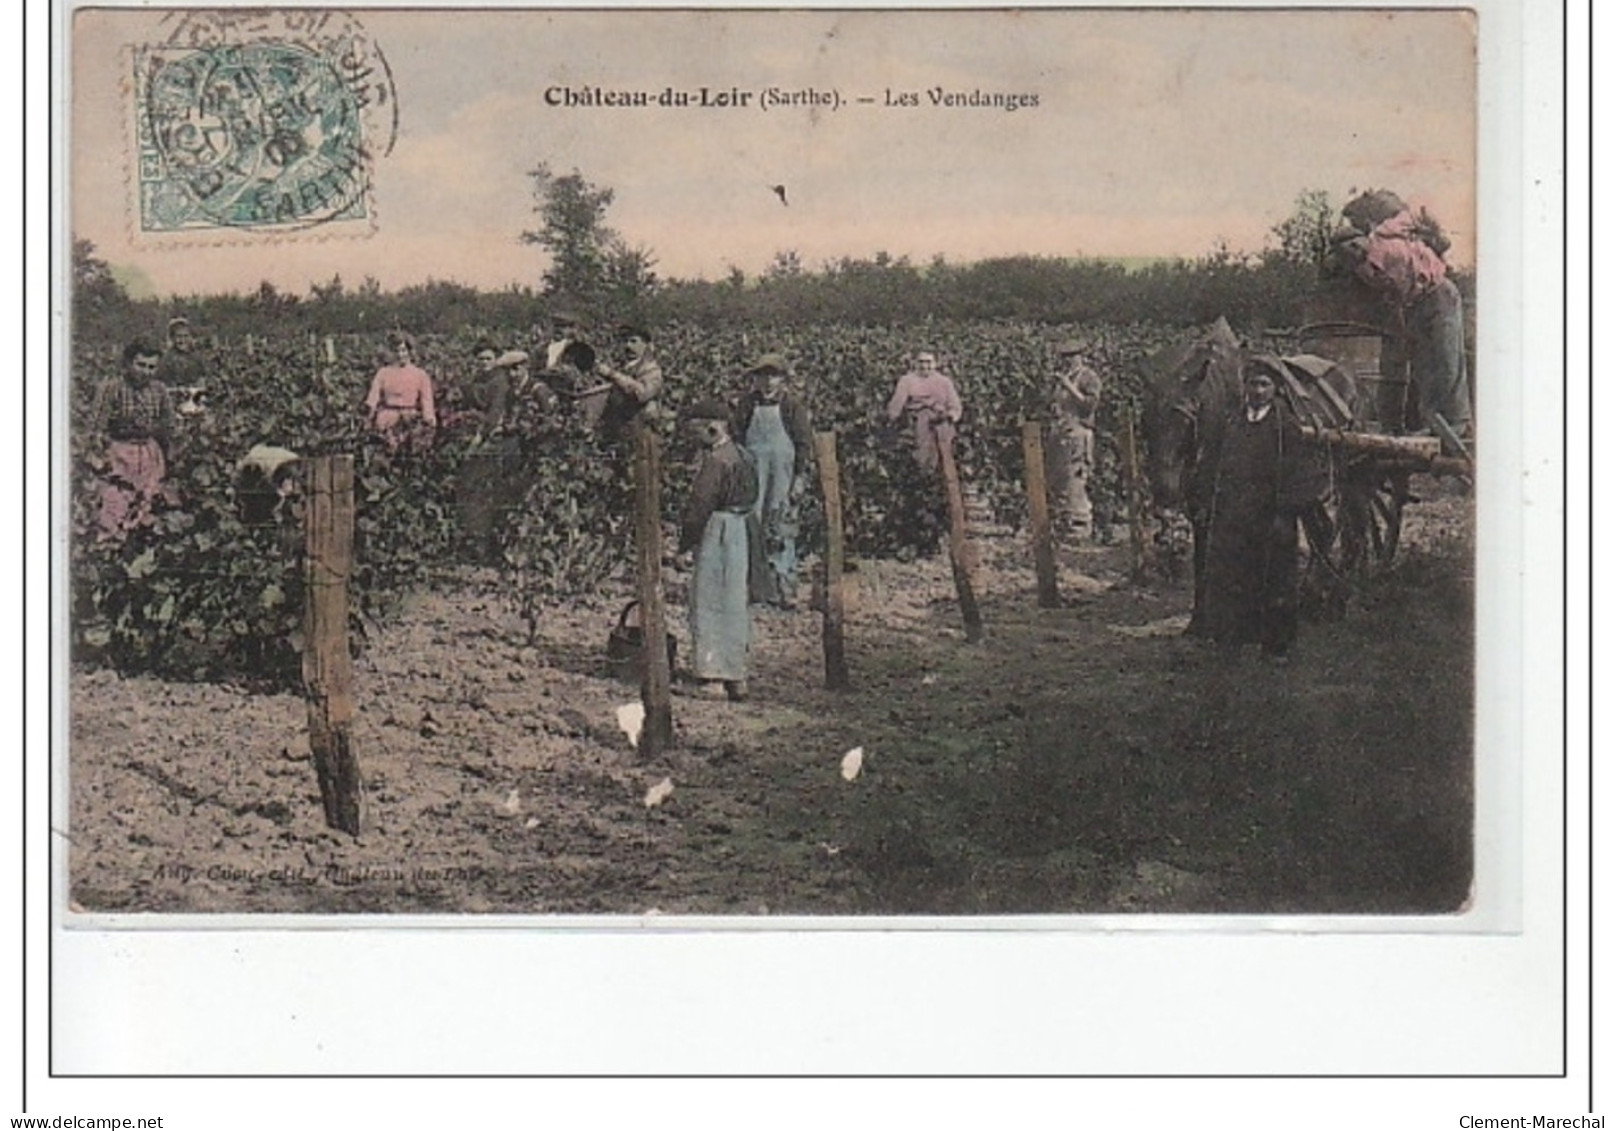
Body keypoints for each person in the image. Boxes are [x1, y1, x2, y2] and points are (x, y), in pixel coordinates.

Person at [1198, 358, 1330, 659]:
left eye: (1264, 385)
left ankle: (1276, 647)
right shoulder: (1233, 423)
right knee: (1233, 579)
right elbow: (1215, 465)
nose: (1257, 391)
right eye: (1252, 384)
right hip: (1235, 515)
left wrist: (1285, 513)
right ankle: (1231, 641)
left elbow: (1300, 475)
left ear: (1276, 389)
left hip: (1272, 517)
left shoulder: (1286, 428)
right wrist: (1213, 503)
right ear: (1244, 387)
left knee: (1276, 581)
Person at [1336, 206, 1472, 448]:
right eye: (1347, 252)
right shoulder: (1363, 270)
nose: (1354, 251)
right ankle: (1434, 424)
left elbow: (1410, 216)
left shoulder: (1385, 238)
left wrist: (1429, 231)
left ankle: (1458, 424)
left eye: (1355, 245)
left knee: (1447, 358)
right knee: (1423, 366)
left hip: (1439, 293)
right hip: (1413, 305)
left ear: (1362, 238)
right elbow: (1389, 294)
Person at [679, 399, 768, 701]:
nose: (694, 437)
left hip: (717, 528)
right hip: (742, 527)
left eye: (697, 430)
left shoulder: (716, 461)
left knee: (709, 599)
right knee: (734, 601)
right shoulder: (744, 455)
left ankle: (712, 676)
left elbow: (699, 505)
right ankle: (736, 676)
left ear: (714, 427)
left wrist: (685, 542)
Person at [734, 353, 813, 607]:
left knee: (782, 527)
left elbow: (803, 444)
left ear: (782, 380)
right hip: (753, 476)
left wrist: (799, 477)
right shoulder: (747, 405)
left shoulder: (791, 406)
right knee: (751, 527)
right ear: (755, 379)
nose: (768, 382)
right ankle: (755, 588)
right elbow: (736, 440)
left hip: (782, 477)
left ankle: (784, 588)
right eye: (762, 376)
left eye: (773, 376)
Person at [89, 337, 176, 542]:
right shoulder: (111, 388)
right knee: (116, 505)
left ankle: (139, 548)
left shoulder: (159, 390)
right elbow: (97, 428)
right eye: (141, 365)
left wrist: (166, 454)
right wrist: (101, 460)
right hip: (119, 452)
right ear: (128, 363)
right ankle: (110, 549)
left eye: (151, 367)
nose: (145, 371)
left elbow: (168, 424)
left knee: (147, 503)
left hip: (148, 452)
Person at [454, 344, 525, 562]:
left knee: (489, 491)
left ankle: (490, 546)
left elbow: (494, 415)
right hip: (474, 435)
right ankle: (476, 543)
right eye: (480, 359)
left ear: (495, 361)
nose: (484, 363)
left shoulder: (500, 383)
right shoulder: (476, 381)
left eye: (488, 359)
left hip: (492, 439)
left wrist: (478, 438)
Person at [1045, 339, 1103, 539]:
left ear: (1081, 356)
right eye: (1065, 357)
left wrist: (1070, 388)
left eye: (1072, 356)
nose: (1068, 361)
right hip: (1061, 432)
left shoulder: (1088, 377)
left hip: (1079, 433)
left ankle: (1080, 526)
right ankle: (1064, 522)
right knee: (1059, 478)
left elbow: (1090, 406)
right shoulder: (1063, 377)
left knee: (1076, 477)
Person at [886, 348, 963, 475]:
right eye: (921, 362)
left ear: (935, 364)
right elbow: (897, 404)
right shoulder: (907, 380)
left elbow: (955, 406)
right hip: (917, 420)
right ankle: (924, 468)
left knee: (945, 446)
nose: (924, 366)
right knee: (922, 445)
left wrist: (949, 416)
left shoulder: (944, 382)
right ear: (915, 363)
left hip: (941, 421)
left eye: (928, 362)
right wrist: (893, 418)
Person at [364, 331, 437, 449]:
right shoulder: (383, 373)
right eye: (396, 351)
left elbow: (427, 402)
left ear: (409, 352)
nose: (400, 355)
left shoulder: (420, 375)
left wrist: (429, 422)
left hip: (410, 420)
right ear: (391, 353)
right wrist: (368, 417)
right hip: (387, 419)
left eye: (403, 350)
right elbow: (373, 397)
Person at [590, 324, 665, 438]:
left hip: (640, 434)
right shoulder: (622, 367)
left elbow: (642, 393)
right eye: (625, 341)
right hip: (617, 431)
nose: (628, 346)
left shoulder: (652, 370)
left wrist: (612, 374)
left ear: (647, 346)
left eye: (634, 341)